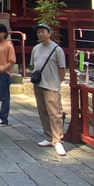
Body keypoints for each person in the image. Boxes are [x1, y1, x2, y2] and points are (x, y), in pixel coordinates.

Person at [31, 23, 67, 156]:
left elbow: (62, 69)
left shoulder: (57, 49)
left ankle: (58, 140)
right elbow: (34, 65)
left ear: (49, 33)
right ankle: (48, 137)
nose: (41, 34)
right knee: (43, 111)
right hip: (39, 84)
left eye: (43, 32)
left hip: (51, 85)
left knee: (55, 113)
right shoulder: (36, 48)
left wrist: (58, 82)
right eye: (39, 32)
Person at [0, 23, 16, 127]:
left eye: (1, 32)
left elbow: (12, 61)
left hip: (4, 74)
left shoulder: (8, 46)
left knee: (4, 97)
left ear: (5, 33)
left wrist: (3, 69)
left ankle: (3, 118)